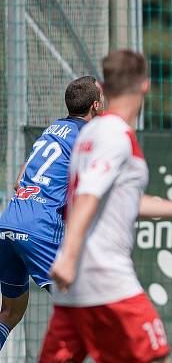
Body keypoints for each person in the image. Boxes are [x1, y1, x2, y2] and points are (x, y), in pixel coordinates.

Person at [39, 50, 172, 363]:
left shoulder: (91, 132)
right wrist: (67, 256)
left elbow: (124, 201)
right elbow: (89, 194)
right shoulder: (115, 134)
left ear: (104, 90)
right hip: (108, 279)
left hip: (77, 287)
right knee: (157, 359)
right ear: (145, 85)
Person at [0, 76, 103, 351]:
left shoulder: (52, 129)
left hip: (9, 222)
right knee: (83, 307)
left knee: (10, 313)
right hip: (39, 227)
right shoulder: (88, 138)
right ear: (96, 105)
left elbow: (20, 178)